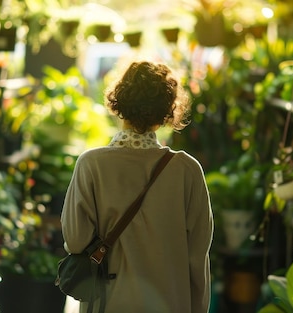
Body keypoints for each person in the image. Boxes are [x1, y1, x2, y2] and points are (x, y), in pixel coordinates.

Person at [60, 61, 214, 313]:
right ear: (166, 112)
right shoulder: (187, 170)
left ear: (118, 103)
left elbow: (76, 241)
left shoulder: (91, 165)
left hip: (110, 302)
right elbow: (198, 256)